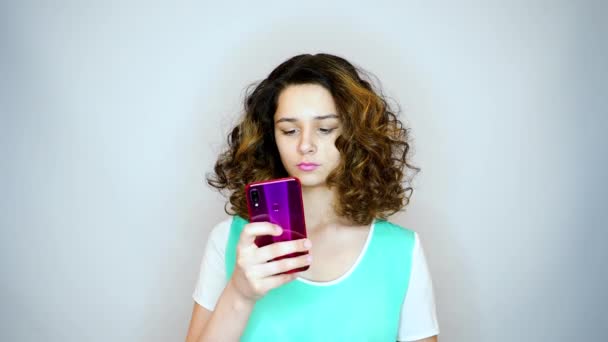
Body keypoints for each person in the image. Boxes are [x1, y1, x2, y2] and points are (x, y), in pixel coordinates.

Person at [185, 53, 439, 341]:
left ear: (356, 135)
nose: (305, 145)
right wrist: (239, 295)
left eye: (325, 129)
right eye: (289, 130)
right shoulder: (229, 241)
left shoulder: (402, 251)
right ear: (272, 137)